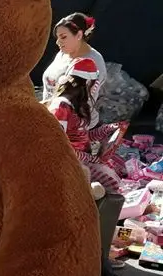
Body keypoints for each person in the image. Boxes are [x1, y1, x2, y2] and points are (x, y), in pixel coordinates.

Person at [47, 57, 121, 193]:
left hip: (81, 159)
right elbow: (57, 146)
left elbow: (80, 136)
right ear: (87, 83)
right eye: (94, 83)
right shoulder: (61, 106)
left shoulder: (78, 105)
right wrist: (87, 158)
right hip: (69, 163)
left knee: (113, 178)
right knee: (103, 182)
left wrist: (105, 130)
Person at [42, 12, 106, 104]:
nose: (57, 42)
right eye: (57, 38)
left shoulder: (91, 63)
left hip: (69, 117)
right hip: (49, 112)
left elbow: (74, 102)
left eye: (63, 37)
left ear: (79, 35)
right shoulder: (63, 53)